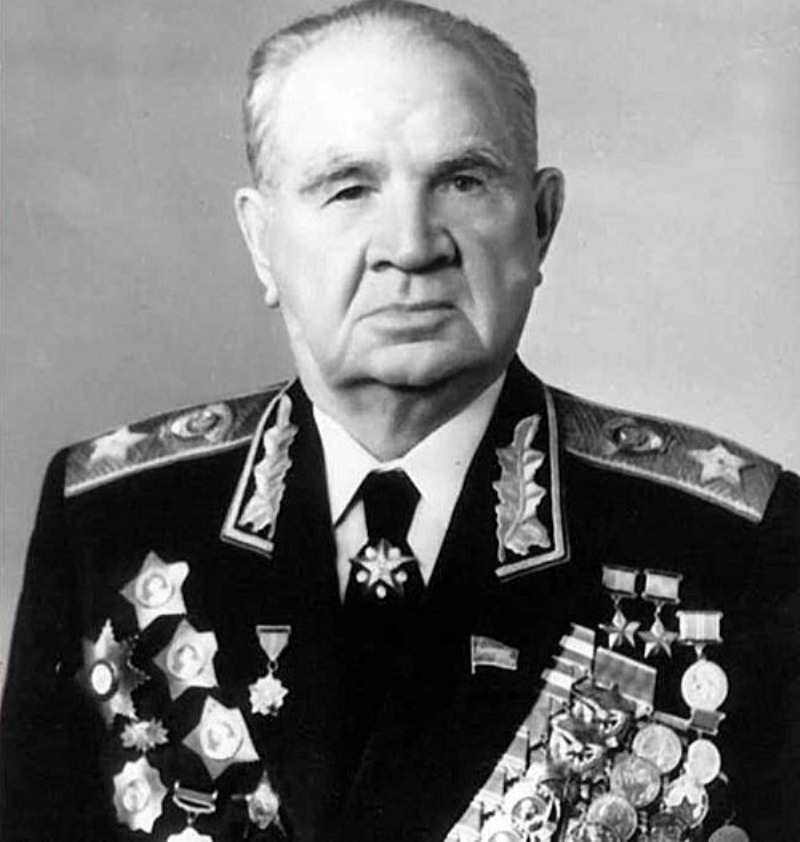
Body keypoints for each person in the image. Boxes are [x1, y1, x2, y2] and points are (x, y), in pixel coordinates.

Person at [1, 1, 798, 840]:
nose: (412, 246)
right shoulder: (114, 521)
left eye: (463, 182)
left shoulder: (729, 546)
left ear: (541, 223)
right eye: (349, 188)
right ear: (262, 241)